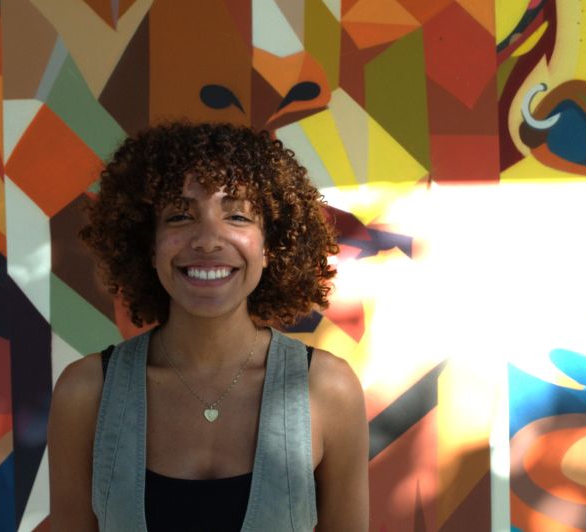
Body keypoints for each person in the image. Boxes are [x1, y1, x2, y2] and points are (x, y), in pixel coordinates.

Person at [48, 122, 369, 531]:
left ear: (270, 246)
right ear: (149, 245)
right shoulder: (86, 393)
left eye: (237, 215)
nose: (208, 240)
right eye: (180, 216)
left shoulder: (327, 390)